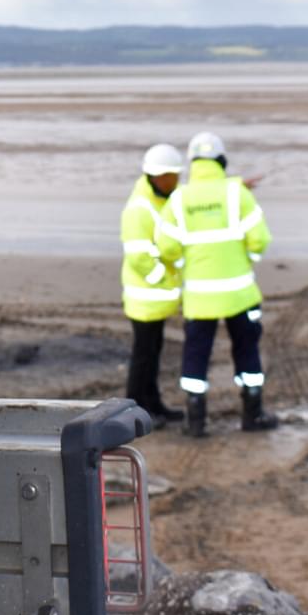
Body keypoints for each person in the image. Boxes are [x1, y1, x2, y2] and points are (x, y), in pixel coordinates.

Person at [156, 130, 278, 437]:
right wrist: (245, 258)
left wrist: (185, 263)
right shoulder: (237, 194)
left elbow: (166, 247)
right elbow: (260, 240)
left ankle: (195, 422)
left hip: (200, 298)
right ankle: (253, 415)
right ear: (221, 161)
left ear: (192, 163)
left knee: (196, 356)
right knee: (247, 351)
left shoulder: (179, 198)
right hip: (240, 295)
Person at [120, 143, 186, 425]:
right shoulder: (140, 208)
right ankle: (135, 412)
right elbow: (139, 256)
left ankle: (154, 405)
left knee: (153, 354)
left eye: (174, 177)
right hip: (145, 299)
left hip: (155, 299)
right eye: (167, 177)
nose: (172, 183)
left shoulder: (163, 201)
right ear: (152, 177)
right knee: (143, 358)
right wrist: (164, 278)